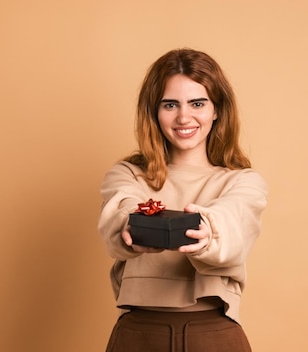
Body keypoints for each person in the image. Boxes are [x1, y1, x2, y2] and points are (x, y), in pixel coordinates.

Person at [97, 48, 268, 352]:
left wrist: (206, 233)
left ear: (217, 110)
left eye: (197, 103)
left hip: (214, 336)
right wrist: (132, 230)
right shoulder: (128, 175)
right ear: (154, 111)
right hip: (138, 336)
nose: (183, 116)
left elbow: (232, 221)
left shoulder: (242, 181)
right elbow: (120, 213)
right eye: (170, 104)